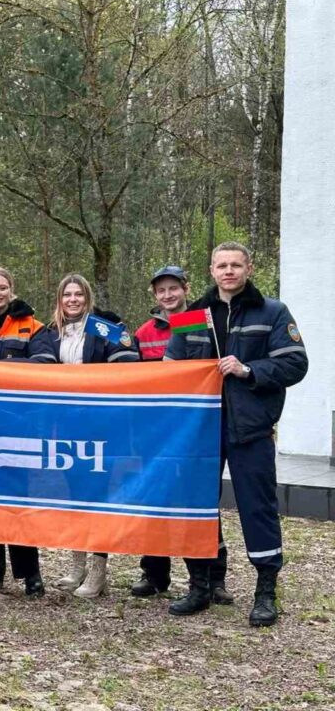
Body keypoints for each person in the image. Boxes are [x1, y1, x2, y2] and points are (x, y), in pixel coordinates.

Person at [165, 242, 307, 627]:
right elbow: (172, 366)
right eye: (221, 265)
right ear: (211, 270)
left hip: (251, 429)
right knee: (196, 506)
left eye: (235, 265)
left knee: (257, 508)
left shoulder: (272, 312)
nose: (228, 271)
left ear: (249, 268)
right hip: (200, 432)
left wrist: (249, 370)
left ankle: (265, 591)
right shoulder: (193, 314)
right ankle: (202, 584)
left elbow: (296, 363)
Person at [130, 266, 233, 602]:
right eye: (161, 290)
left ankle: (213, 578)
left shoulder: (197, 320)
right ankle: (155, 573)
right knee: (155, 496)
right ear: (154, 295)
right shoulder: (144, 332)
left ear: (185, 288)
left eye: (174, 288)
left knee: (200, 502)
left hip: (195, 428)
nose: (168, 295)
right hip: (154, 428)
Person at [0, 266, 56, 598]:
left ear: (11, 289)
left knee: (19, 497)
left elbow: (46, 363)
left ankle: (29, 573)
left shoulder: (33, 325)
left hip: (20, 424)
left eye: (2, 287)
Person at [47, 273, 138, 598]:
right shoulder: (51, 332)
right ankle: (78, 564)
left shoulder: (105, 326)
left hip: (101, 426)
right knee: (75, 495)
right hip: (67, 426)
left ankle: (99, 571)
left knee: (97, 495)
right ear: (60, 300)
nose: (73, 300)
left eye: (78, 295)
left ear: (87, 298)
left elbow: (129, 361)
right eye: (67, 295)